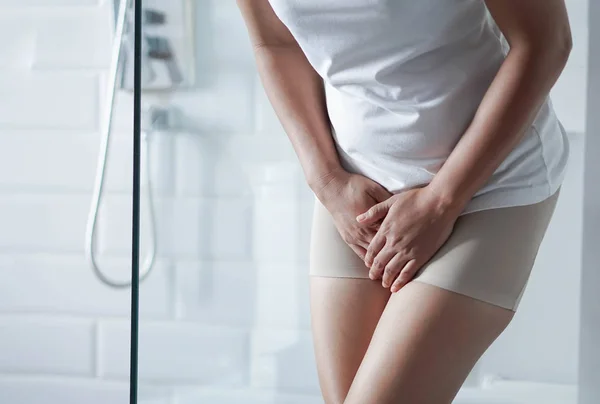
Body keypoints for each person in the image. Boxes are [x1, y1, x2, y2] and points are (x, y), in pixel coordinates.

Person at [237, 1, 571, 403]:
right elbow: (275, 45)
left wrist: (441, 202)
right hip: (355, 186)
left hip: (489, 184)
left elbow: (546, 42)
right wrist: (326, 180)